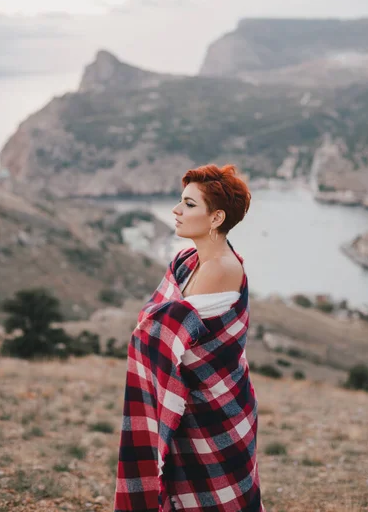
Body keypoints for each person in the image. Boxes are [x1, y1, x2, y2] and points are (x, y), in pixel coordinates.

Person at [114, 163, 265, 512]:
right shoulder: (187, 261)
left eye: (189, 204)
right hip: (187, 403)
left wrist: (149, 330)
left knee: (218, 501)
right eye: (181, 201)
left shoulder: (220, 270)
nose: (176, 210)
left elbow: (160, 331)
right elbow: (158, 327)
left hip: (216, 409)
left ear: (216, 218)